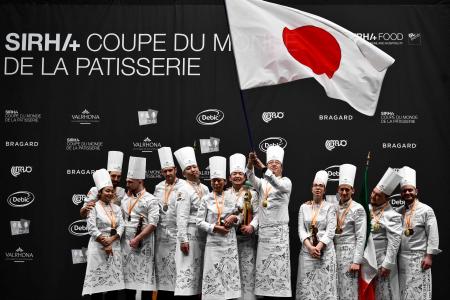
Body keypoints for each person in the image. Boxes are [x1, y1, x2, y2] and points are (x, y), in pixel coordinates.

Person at [243, 145, 292, 298]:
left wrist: (263, 168)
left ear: (282, 167)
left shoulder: (286, 182)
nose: (273, 165)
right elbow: (249, 176)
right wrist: (251, 162)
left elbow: (275, 182)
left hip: (279, 235)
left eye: (277, 163)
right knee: (265, 275)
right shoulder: (262, 184)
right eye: (271, 162)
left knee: (278, 273)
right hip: (264, 234)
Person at [197, 156, 241, 300]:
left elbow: (240, 217)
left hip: (229, 244)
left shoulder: (232, 197)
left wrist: (234, 218)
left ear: (225, 181)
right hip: (213, 245)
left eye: (219, 180)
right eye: (214, 180)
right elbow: (199, 222)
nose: (216, 183)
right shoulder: (206, 199)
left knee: (228, 280)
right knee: (213, 279)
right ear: (210, 182)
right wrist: (215, 228)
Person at [396, 166, 441, 300]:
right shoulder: (398, 211)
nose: (407, 193)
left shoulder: (426, 210)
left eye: (410, 190)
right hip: (402, 259)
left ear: (416, 191)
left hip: (419, 259)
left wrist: (429, 256)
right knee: (404, 293)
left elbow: (433, 234)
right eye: (404, 191)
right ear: (401, 194)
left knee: (419, 294)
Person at [82, 169, 125, 299]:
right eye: (107, 190)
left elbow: (122, 225)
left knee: (113, 286)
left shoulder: (117, 208)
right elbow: (91, 227)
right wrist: (103, 240)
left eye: (111, 191)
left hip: (114, 246)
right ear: (100, 192)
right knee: (97, 285)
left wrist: (112, 238)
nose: (110, 193)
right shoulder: (93, 207)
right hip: (97, 247)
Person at [120, 156, 159, 300]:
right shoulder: (126, 198)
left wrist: (137, 238)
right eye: (127, 181)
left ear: (140, 181)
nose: (127, 184)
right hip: (126, 245)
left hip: (144, 245)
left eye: (130, 182)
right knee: (129, 284)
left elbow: (153, 224)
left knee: (145, 282)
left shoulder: (151, 199)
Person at [173, 146, 209, 298]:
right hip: (189, 234)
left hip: (204, 236)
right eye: (189, 168)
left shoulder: (206, 188)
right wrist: (183, 240)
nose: (193, 170)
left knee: (199, 275)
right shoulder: (183, 189)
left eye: (194, 166)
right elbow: (181, 216)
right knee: (187, 273)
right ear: (183, 173)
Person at [296, 170, 338, 300]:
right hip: (307, 252)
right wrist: (310, 248)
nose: (318, 188)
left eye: (321, 186)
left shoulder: (330, 207)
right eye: (315, 185)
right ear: (312, 188)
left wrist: (318, 248)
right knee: (307, 288)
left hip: (324, 252)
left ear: (324, 190)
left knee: (325, 288)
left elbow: (331, 230)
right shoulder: (304, 207)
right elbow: (301, 230)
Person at [154, 147, 186, 299]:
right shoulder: (158, 187)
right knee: (163, 274)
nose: (167, 174)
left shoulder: (185, 186)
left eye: (170, 170)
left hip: (177, 236)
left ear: (175, 170)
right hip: (161, 237)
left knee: (178, 274)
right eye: (164, 171)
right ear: (161, 172)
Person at [333, 164, 367, 300]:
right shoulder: (332, 207)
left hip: (350, 254)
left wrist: (356, 261)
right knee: (334, 290)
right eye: (342, 189)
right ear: (338, 190)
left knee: (349, 290)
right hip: (333, 253)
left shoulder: (358, 209)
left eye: (347, 190)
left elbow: (361, 236)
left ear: (353, 190)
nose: (344, 193)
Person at [228, 153, 259, 300]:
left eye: (240, 174)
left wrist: (252, 226)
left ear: (245, 177)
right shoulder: (224, 194)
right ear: (229, 177)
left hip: (247, 240)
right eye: (234, 174)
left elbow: (259, 214)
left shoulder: (252, 194)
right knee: (231, 271)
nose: (238, 176)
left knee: (248, 271)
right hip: (228, 240)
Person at [369, 167, 403, 300]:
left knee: (384, 294)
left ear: (386, 198)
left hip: (382, 260)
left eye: (378, 195)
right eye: (373, 192)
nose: (373, 196)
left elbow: (394, 242)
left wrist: (387, 264)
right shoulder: (367, 208)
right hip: (368, 259)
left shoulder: (392, 215)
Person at [81, 151, 126, 218]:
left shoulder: (122, 191)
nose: (116, 179)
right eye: (113, 176)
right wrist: (85, 209)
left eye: (118, 176)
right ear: (108, 174)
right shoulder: (95, 190)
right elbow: (83, 214)